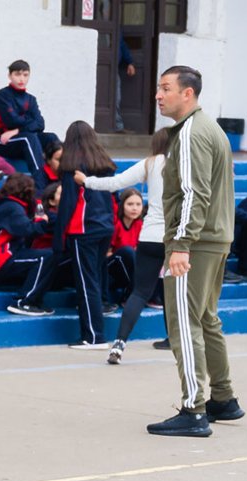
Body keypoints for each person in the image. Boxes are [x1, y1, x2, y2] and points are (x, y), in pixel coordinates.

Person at [149, 65, 242, 438]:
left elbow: (193, 193)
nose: (159, 95)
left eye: (166, 88)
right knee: (206, 319)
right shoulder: (210, 128)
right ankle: (223, 398)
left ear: (187, 93)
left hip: (196, 242)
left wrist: (181, 245)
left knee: (184, 326)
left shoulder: (190, 134)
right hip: (215, 239)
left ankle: (194, 409)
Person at [76, 129, 171, 362]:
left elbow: (116, 182)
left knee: (140, 292)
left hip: (149, 236)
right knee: (173, 291)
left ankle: (119, 343)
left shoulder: (150, 163)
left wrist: (86, 181)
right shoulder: (186, 166)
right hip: (175, 237)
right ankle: (174, 338)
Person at [55, 121, 117, 349]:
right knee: (96, 280)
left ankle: (93, 336)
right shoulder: (104, 163)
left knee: (86, 283)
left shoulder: (73, 166)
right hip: (104, 227)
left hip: (83, 230)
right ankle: (95, 333)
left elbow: (68, 205)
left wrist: (58, 239)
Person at [0, 174, 58, 317]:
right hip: (1, 259)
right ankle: (25, 302)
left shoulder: (4, 204)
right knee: (47, 257)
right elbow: (28, 229)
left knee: (45, 256)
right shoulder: (14, 208)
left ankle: (33, 298)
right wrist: (42, 222)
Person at [0, 60, 58, 191]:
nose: (21, 79)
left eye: (25, 75)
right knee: (28, 137)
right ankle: (40, 184)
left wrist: (17, 130)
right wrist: (26, 123)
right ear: (10, 76)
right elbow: (11, 121)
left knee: (51, 137)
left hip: (18, 139)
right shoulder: (2, 96)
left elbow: (41, 124)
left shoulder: (31, 99)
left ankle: (59, 177)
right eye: (17, 74)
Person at [107, 188, 145, 312]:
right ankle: (132, 293)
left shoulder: (140, 225)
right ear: (122, 205)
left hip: (128, 268)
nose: (134, 208)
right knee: (127, 252)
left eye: (138, 204)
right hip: (111, 268)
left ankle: (131, 295)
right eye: (130, 204)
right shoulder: (115, 223)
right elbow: (107, 254)